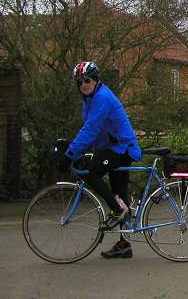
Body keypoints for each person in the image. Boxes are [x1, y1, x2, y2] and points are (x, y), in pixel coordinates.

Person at [58, 61, 142, 259]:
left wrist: (70, 154)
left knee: (89, 172)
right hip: (111, 149)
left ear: (95, 80)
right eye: (79, 82)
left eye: (87, 80)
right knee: (119, 193)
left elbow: (91, 129)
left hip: (123, 148)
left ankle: (116, 208)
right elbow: (92, 132)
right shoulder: (90, 100)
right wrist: (79, 150)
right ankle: (124, 244)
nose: (83, 85)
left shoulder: (102, 98)